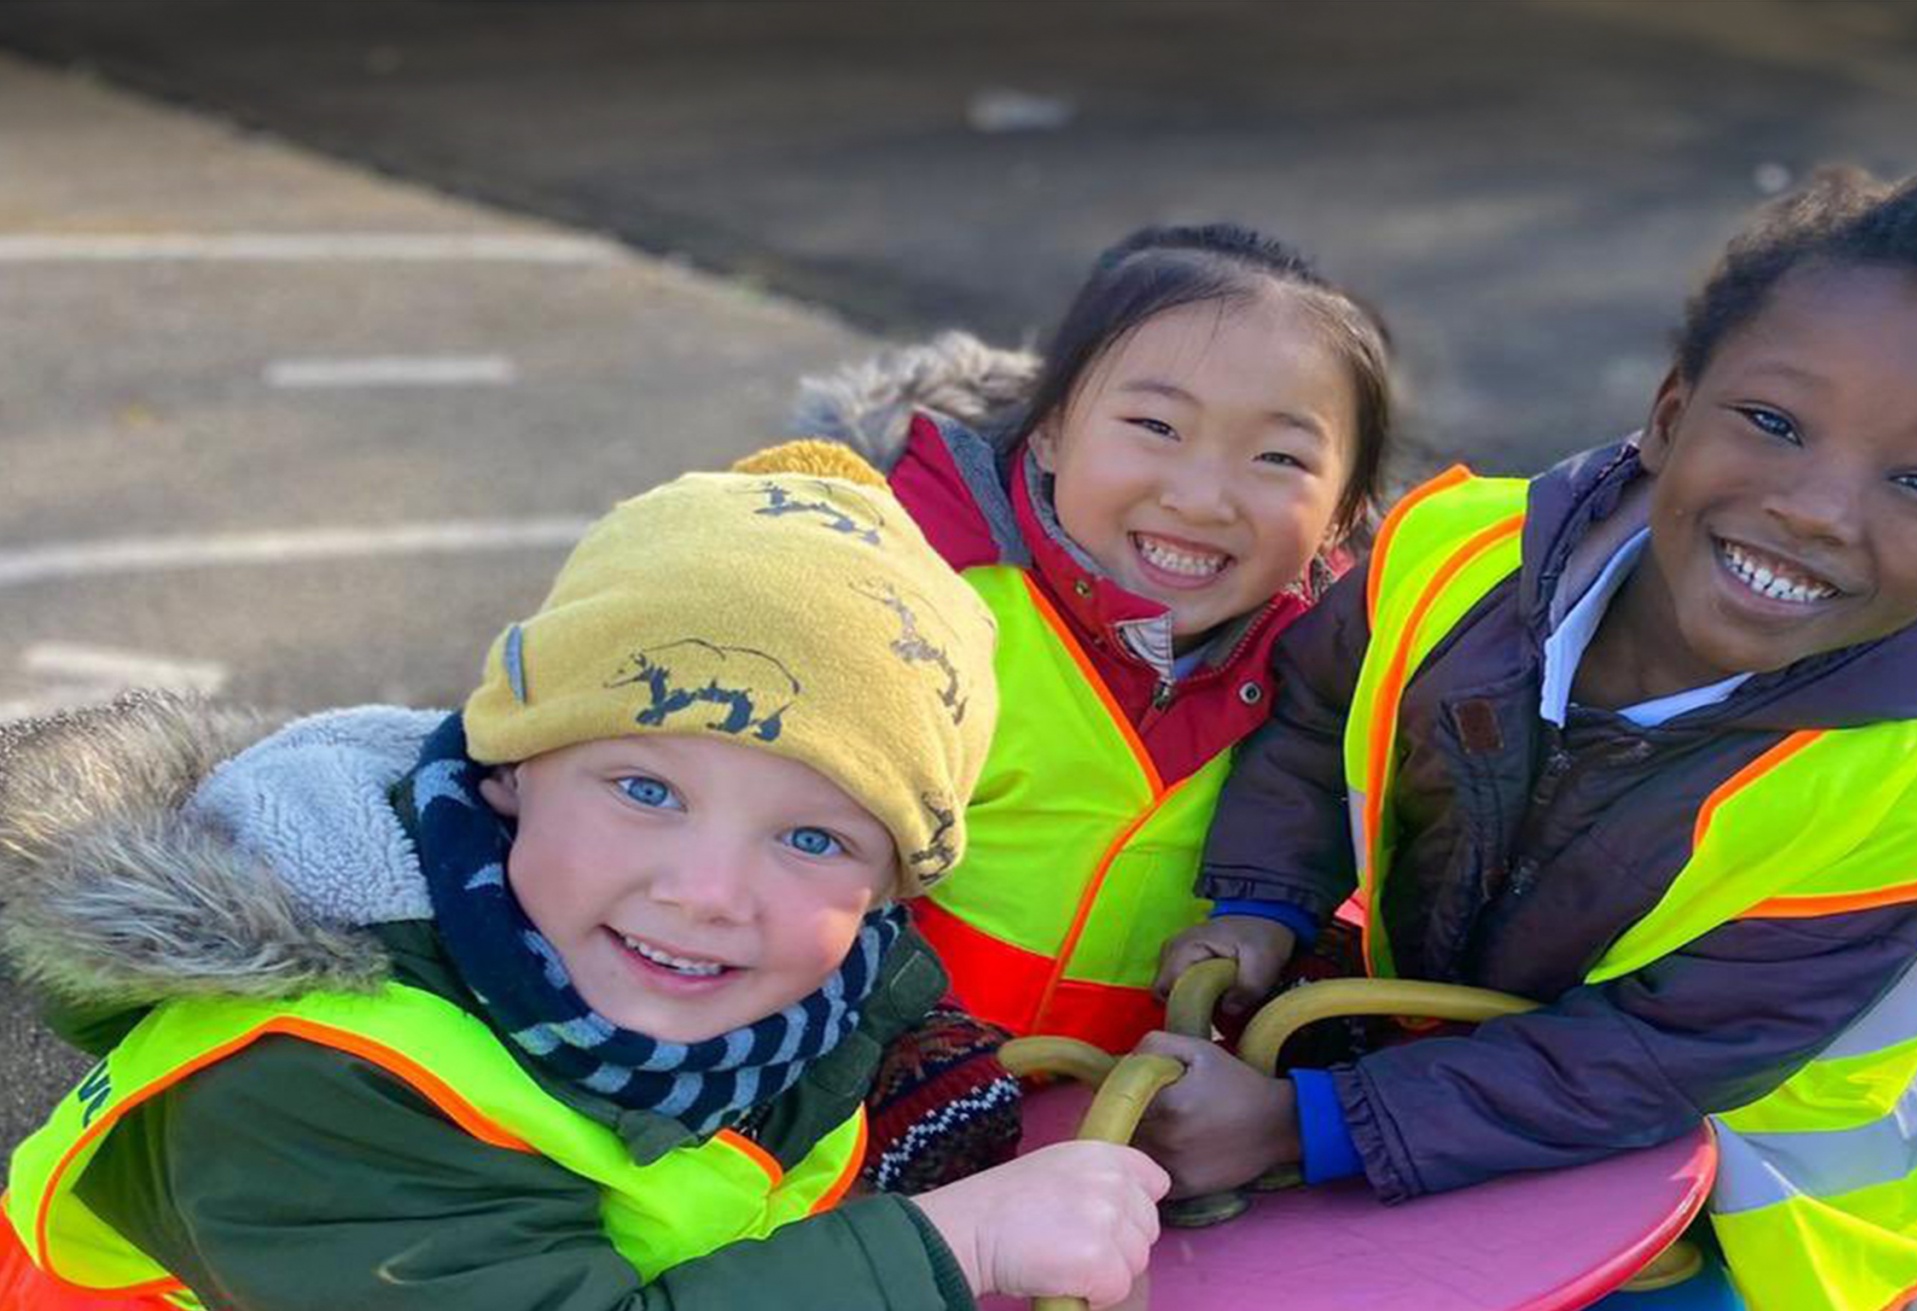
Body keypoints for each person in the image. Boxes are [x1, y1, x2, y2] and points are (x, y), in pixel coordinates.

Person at [1138, 137, 1917, 1310]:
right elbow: (1312, 716)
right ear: (1668, 416)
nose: (1813, 509)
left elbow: (1635, 1069)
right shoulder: (1450, 561)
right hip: (1464, 1080)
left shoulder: (1897, 813)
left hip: (1752, 1210)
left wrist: (1303, 1127)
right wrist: (1262, 897)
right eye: (1771, 420)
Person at [0, 453, 1167, 1310]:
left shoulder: (803, 997)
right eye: (647, 791)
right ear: (511, 767)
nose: (710, 893)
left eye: (814, 840)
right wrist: (946, 1248)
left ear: (889, 890)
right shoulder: (309, 1074)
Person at [787, 222, 1396, 1052]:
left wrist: (1266, 924)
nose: (1202, 496)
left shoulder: (1343, 671)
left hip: (1123, 1114)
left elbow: (1333, 832)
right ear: (1049, 428)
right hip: (845, 1075)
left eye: (1279, 458)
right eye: (1157, 427)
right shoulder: (915, 593)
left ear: (1347, 510)